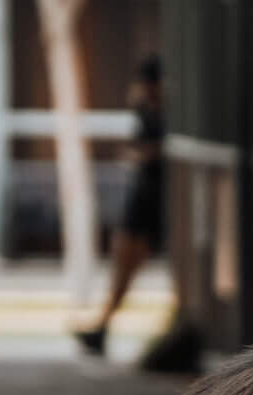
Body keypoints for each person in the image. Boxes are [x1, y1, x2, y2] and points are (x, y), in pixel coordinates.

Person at [76, 57, 167, 360]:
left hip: (162, 197)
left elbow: (155, 152)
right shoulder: (144, 110)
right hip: (143, 194)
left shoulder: (168, 114)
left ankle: (104, 325)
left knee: (131, 264)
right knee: (123, 264)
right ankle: (103, 325)